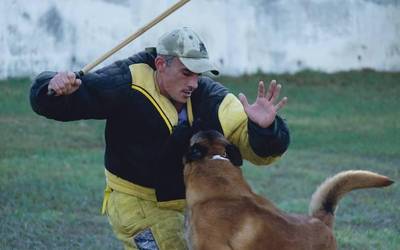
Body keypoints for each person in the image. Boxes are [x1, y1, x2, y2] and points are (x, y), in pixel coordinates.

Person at [30, 27, 290, 250]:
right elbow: (68, 101)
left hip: (186, 206)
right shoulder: (125, 81)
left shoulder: (211, 97)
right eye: (186, 72)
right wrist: (50, 87)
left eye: (199, 74)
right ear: (161, 64)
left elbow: (257, 149)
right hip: (136, 204)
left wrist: (264, 129)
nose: (194, 83)